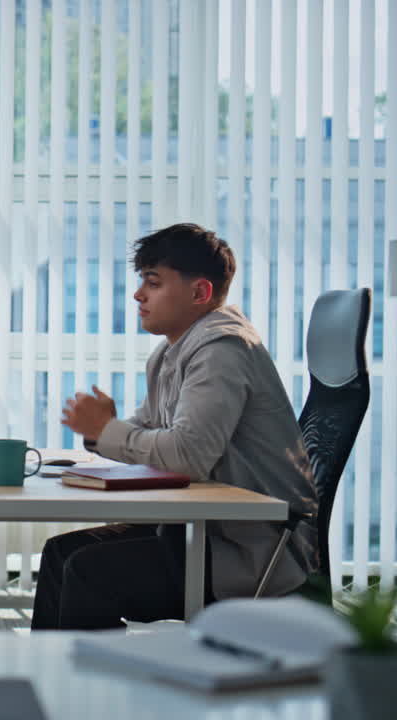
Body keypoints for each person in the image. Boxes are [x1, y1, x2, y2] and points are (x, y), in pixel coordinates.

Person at [31, 223, 318, 631]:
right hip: (197, 530)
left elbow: (187, 456)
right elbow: (150, 430)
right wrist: (102, 431)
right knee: (62, 554)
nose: (138, 294)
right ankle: (50, 683)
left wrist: (108, 429)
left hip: (242, 550)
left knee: (87, 571)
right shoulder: (173, 353)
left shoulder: (222, 352)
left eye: (153, 282)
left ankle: (88, 691)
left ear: (199, 292)